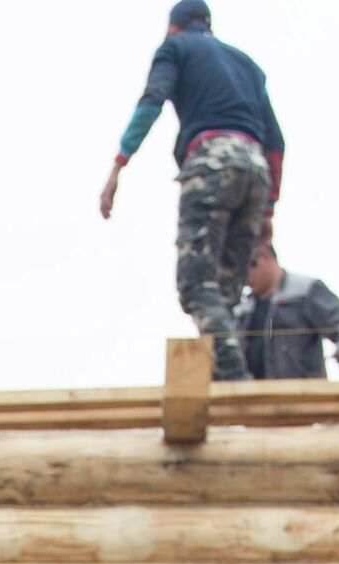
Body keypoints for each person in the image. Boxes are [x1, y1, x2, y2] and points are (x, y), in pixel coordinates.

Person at [99, 1, 284, 380]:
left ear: (173, 27)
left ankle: (233, 377)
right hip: (255, 170)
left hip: (211, 163)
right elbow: (277, 143)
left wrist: (120, 162)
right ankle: (223, 374)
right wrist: (267, 209)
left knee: (196, 285)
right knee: (227, 291)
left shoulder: (175, 49)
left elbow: (153, 100)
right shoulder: (247, 65)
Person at [235, 243, 339, 380]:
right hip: (252, 395)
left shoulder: (304, 290)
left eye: (246, 269)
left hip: (302, 394)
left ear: (265, 258)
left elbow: (338, 318)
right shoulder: (242, 307)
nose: (244, 279)